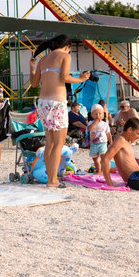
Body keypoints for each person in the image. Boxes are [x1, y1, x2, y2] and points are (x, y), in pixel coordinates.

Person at [29, 35, 90, 189]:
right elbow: (65, 77)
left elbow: (34, 82)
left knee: (49, 144)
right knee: (58, 144)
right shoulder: (65, 56)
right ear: (67, 46)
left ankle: (50, 179)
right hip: (57, 103)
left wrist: (32, 68)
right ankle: (52, 180)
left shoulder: (43, 60)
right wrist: (82, 79)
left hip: (43, 103)